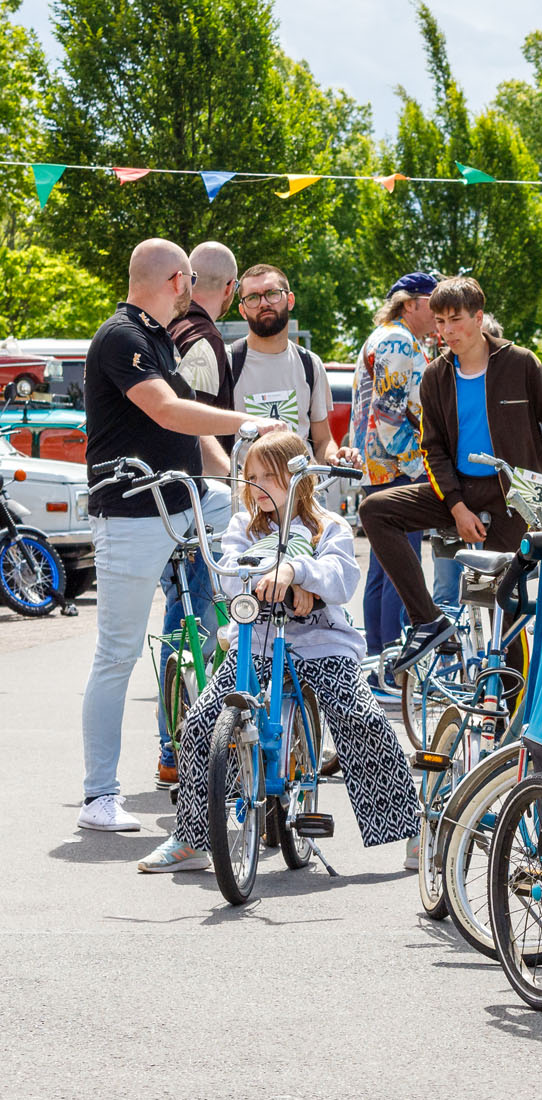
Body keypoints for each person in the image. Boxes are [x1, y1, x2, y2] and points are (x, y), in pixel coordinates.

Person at [136, 431, 419, 872]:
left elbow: (342, 580)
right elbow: (229, 576)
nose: (259, 485)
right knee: (199, 724)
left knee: (364, 720)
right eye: (251, 477)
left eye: (271, 475)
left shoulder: (329, 526)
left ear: (299, 475)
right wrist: (283, 584)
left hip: (321, 646)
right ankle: (192, 838)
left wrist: (298, 572)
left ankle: (413, 831)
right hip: (256, 645)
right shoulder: (241, 527)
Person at [78, 238, 283, 833]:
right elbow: (167, 412)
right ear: (176, 279)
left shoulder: (161, 338)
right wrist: (251, 421)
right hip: (132, 514)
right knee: (115, 655)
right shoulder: (122, 336)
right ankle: (99, 797)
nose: (193, 288)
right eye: (189, 278)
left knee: (253, 531)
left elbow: (192, 436)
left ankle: (256, 684)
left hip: (184, 504)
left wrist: (257, 481)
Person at [359, 276, 542, 672]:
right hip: (459, 492)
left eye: (455, 320)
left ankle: (508, 713)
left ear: (479, 318)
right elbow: (432, 448)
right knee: (375, 510)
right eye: (439, 321)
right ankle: (428, 620)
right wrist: (456, 507)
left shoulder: (520, 362)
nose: (446, 331)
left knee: (501, 610)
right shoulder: (436, 375)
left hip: (514, 496)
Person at [154, 241, 239, 789]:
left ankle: (177, 748)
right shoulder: (205, 343)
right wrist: (232, 479)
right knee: (193, 624)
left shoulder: (168, 333)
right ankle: (183, 748)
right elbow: (195, 427)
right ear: (227, 290)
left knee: (181, 622)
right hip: (194, 503)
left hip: (164, 501)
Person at [351, 272, 438, 686]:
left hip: (378, 468)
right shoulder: (398, 342)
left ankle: (376, 662)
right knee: (400, 571)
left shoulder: (381, 337)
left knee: (382, 570)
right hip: (398, 468)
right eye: (432, 301)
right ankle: (391, 668)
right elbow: (389, 416)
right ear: (410, 303)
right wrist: (421, 466)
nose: (440, 312)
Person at [229, 264, 357, 471]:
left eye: (272, 294)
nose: (263, 303)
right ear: (243, 311)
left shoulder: (310, 363)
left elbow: (323, 441)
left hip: (303, 492)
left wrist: (337, 457)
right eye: (253, 297)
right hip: (248, 496)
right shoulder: (227, 363)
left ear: (290, 300)